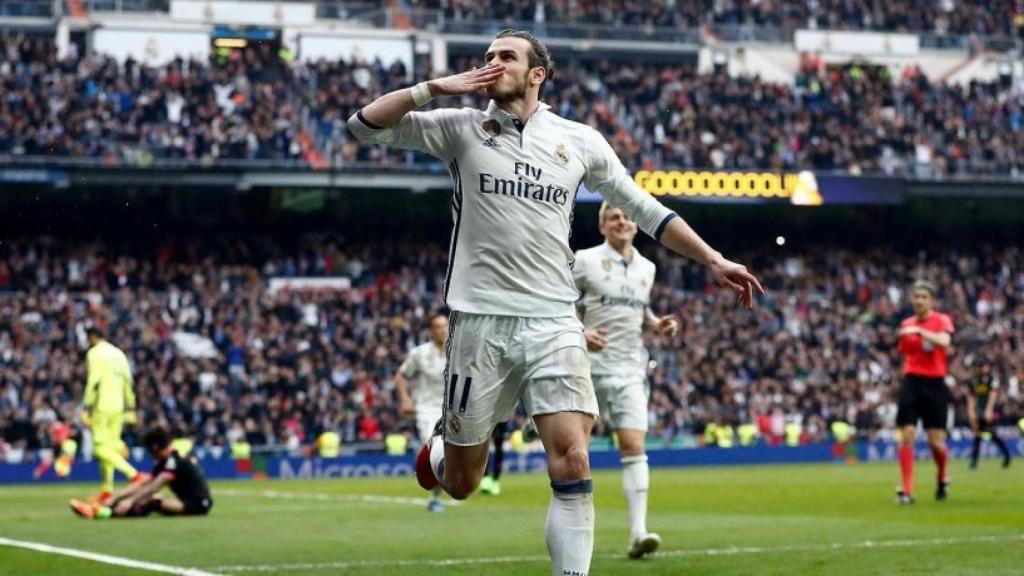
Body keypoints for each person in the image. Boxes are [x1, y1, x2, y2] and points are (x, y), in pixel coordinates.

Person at [348, 29, 762, 575]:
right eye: (488, 56)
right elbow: (363, 125)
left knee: (573, 458)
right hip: (479, 323)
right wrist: (435, 87)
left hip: (554, 320)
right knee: (465, 483)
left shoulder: (578, 140)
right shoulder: (461, 128)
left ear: (536, 73)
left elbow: (642, 206)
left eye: (506, 56)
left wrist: (712, 259)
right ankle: (445, 450)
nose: (493, 64)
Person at [572, 202, 678, 559]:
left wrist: (656, 324)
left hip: (630, 368)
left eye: (627, 217)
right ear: (602, 226)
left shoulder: (647, 268)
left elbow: (638, 309)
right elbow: (558, 302)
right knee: (576, 453)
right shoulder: (583, 260)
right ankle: (577, 538)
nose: (622, 222)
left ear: (636, 226)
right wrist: (579, 331)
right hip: (586, 367)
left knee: (634, 447)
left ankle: (638, 533)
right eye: (613, 217)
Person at [895, 280, 955, 504]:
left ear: (932, 301)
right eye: (916, 296)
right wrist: (906, 336)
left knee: (936, 442)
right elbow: (905, 352)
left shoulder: (941, 320)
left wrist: (920, 331)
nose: (919, 300)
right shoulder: (906, 324)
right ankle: (907, 491)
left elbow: (944, 341)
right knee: (907, 434)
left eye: (923, 297)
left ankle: (941, 476)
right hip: (912, 382)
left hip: (935, 384)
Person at [70, 426, 213, 519]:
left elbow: (154, 487)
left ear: (155, 447)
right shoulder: (166, 461)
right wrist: (115, 497)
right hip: (186, 500)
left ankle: (102, 513)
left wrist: (130, 501)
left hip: (199, 504)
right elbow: (143, 482)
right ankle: (103, 506)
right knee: (145, 496)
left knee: (152, 502)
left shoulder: (173, 462)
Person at [81, 327, 145, 503]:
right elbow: (128, 382)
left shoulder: (95, 353)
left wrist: (87, 405)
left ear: (92, 338)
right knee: (109, 446)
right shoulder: (119, 354)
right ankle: (107, 489)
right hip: (119, 406)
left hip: (102, 405)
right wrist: (131, 407)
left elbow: (94, 379)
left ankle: (134, 475)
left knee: (100, 448)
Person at [395, 313, 450, 512]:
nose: (442, 330)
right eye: (437, 326)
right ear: (430, 330)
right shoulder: (420, 353)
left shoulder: (458, 352)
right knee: (436, 450)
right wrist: (405, 399)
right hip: (427, 410)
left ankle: (436, 496)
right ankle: (434, 496)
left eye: (445, 326)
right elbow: (401, 376)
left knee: (451, 454)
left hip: (451, 410)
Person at [965, 355, 1012, 469]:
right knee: (978, 435)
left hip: (992, 410)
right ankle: (974, 462)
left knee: (991, 434)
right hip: (979, 411)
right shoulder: (972, 381)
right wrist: (971, 413)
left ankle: (1006, 456)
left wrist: (989, 410)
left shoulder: (992, 379)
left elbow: (993, 395)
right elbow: (971, 397)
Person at [479, 421, 509, 496]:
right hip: (486, 411)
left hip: (502, 412)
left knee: (499, 443)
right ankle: (486, 478)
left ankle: (496, 480)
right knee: (484, 441)